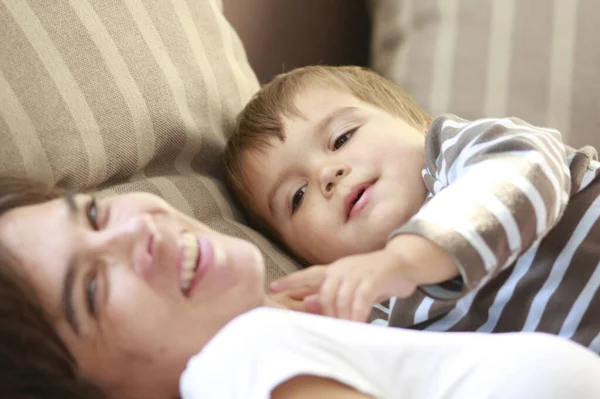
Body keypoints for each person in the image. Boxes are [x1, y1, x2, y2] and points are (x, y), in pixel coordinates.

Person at [2, 176, 600, 398]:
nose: (138, 230)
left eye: (95, 215)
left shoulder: (302, 330)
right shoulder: (236, 362)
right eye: (90, 292)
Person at [223, 65, 600, 351]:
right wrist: (302, 328)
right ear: (302, 254)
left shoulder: (470, 151)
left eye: (342, 138)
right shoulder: (384, 318)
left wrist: (404, 260)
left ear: (422, 125)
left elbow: (519, 177)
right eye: (297, 196)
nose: (326, 174)